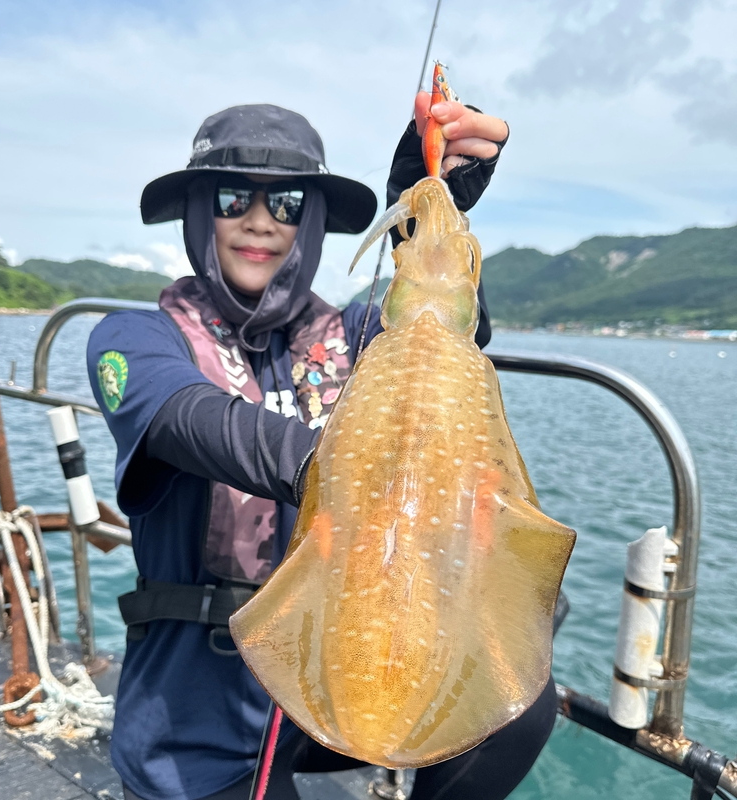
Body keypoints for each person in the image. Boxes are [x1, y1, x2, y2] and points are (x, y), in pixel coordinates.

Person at [87, 97, 556, 800]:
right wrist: (355, 467)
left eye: (286, 203)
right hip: (197, 718)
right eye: (232, 195)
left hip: (337, 670)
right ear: (196, 209)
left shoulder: (366, 338)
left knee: (518, 710)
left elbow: (447, 337)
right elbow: (189, 421)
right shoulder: (134, 339)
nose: (258, 219)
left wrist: (425, 214)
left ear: (309, 221)